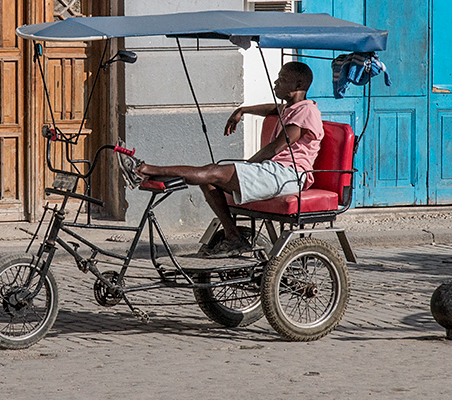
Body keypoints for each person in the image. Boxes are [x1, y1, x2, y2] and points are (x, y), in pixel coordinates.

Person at [117, 61, 324, 258]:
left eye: (282, 78)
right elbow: (272, 108)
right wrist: (241, 110)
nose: (276, 82)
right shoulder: (291, 108)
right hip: (273, 172)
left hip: (288, 175)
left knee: (211, 172)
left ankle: (143, 169)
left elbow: (276, 147)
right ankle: (233, 236)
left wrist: (247, 166)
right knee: (208, 180)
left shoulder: (307, 111)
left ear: (299, 84)